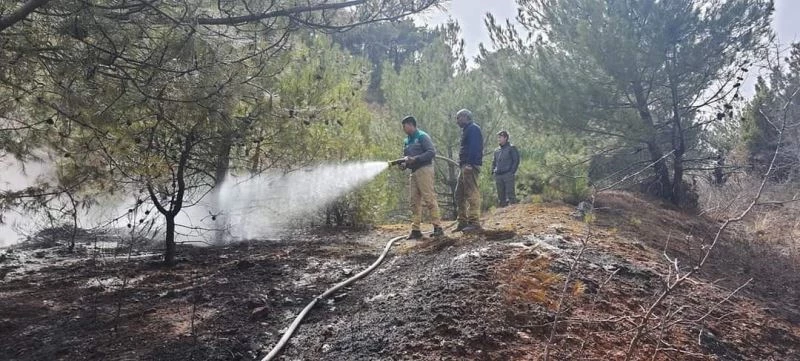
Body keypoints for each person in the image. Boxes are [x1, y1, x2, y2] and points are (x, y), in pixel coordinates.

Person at [400, 116, 443, 239]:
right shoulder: (406, 141)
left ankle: (438, 227)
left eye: (405, 126)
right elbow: (406, 158)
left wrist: (416, 159)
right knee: (414, 202)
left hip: (424, 170)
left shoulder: (422, 136)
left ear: (411, 125)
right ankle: (416, 230)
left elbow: (431, 152)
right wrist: (404, 164)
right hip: (413, 172)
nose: (403, 128)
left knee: (429, 199)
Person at [454, 109, 483, 232]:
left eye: (458, 118)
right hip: (464, 166)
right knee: (459, 194)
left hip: (469, 166)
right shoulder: (467, 130)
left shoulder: (473, 129)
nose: (457, 121)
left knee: (471, 193)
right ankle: (462, 222)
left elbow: (475, 147)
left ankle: (474, 222)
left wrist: (470, 164)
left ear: (466, 117)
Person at [492, 130, 520, 207]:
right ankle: (503, 214)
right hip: (498, 175)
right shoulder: (496, 150)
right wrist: (493, 171)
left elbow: (516, 160)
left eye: (500, 137)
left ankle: (514, 212)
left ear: (505, 138)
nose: (499, 139)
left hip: (508, 174)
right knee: (500, 196)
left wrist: (512, 172)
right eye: (498, 137)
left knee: (510, 194)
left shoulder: (511, 148)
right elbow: (494, 162)